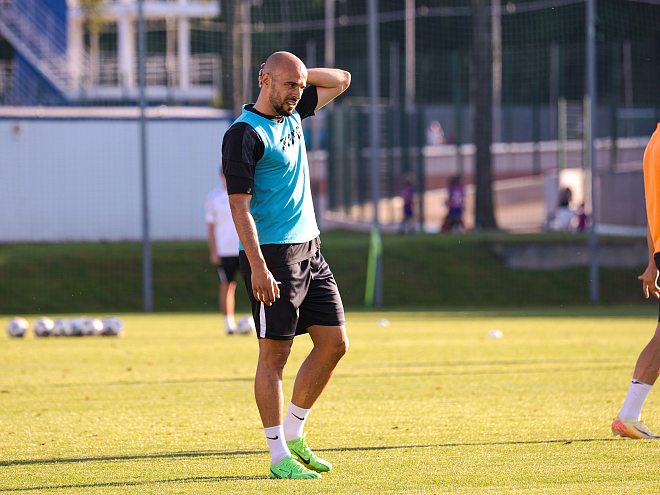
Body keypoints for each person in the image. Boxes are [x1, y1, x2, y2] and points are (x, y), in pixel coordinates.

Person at [222, 51, 351, 478]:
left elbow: (342, 79)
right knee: (274, 355)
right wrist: (258, 266)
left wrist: (299, 74)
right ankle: (279, 457)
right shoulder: (243, 134)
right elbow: (239, 207)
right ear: (264, 80)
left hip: (311, 250)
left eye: (300, 85)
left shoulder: (293, 112)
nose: (298, 92)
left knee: (334, 344)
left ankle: (295, 434)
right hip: (273, 256)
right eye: (289, 84)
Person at [611, 123, 660, 439]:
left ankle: (628, 416)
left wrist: (653, 261)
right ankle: (627, 415)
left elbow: (653, 212)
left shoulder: (654, 141)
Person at [206, 170, 242, 334]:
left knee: (255, 285)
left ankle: (261, 322)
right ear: (221, 176)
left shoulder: (245, 192)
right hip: (225, 250)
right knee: (227, 285)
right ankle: (229, 325)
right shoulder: (214, 197)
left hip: (245, 248)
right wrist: (214, 251)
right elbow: (210, 227)